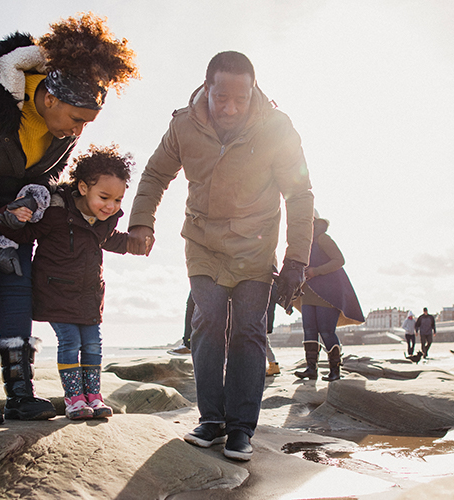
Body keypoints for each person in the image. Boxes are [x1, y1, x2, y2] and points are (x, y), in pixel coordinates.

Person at [0, 13, 138, 429]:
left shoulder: (67, 127)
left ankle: (20, 395)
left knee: (18, 282)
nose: (78, 130)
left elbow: (45, 174)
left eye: (86, 122)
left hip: (16, 200)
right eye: (76, 119)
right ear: (49, 100)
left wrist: (31, 199)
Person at [126, 51, 314, 461]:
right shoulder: (183, 125)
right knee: (207, 321)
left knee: (249, 330)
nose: (230, 107)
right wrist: (142, 220)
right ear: (206, 88)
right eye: (221, 97)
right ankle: (211, 420)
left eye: (240, 99)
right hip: (204, 242)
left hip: (256, 242)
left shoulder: (277, 128)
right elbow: (157, 173)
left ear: (253, 92)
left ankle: (241, 428)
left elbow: (299, 194)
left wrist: (296, 259)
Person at [0, 145, 142, 420]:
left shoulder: (104, 221)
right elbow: (27, 235)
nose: (111, 206)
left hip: (88, 294)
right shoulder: (56, 211)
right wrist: (12, 219)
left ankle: (94, 397)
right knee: (70, 341)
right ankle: (74, 399)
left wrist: (134, 244)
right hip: (56, 291)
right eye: (105, 197)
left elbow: (110, 240)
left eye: (119, 200)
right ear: (84, 188)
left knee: (93, 344)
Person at [292, 211, 365, 382]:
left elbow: (339, 260)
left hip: (328, 293)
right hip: (307, 294)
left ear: (315, 221)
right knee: (309, 330)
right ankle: (311, 369)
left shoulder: (323, 238)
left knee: (326, 331)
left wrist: (316, 271)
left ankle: (335, 370)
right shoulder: (303, 242)